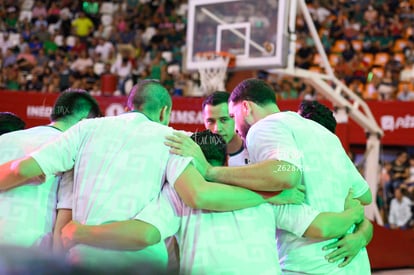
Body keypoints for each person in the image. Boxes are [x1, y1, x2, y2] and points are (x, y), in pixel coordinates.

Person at [0, 80, 273, 274]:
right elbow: (198, 194)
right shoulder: (174, 139)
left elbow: (20, 170)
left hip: (83, 260)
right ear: (165, 112)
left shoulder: (85, 129)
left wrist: (78, 233)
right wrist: (271, 194)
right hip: (142, 265)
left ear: (129, 105)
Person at [60, 130, 364, 275]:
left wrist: (79, 232)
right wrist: (355, 213)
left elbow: (144, 234)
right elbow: (324, 227)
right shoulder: (274, 195)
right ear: (228, 158)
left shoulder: (181, 194)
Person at [166, 78, 372, 274]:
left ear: (246, 108)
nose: (234, 126)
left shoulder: (262, 128)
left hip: (311, 265)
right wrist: (358, 228)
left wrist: (211, 172)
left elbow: (287, 172)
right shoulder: (322, 133)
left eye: (231, 116)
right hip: (357, 265)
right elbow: (363, 196)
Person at [0, 89, 101, 248]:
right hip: (31, 249)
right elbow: (64, 218)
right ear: (83, 122)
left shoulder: (5, 139)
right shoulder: (74, 152)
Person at [201, 92, 249, 166]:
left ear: (236, 118)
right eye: (210, 121)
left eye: (223, 120)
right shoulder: (197, 154)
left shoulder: (254, 152)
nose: (217, 129)